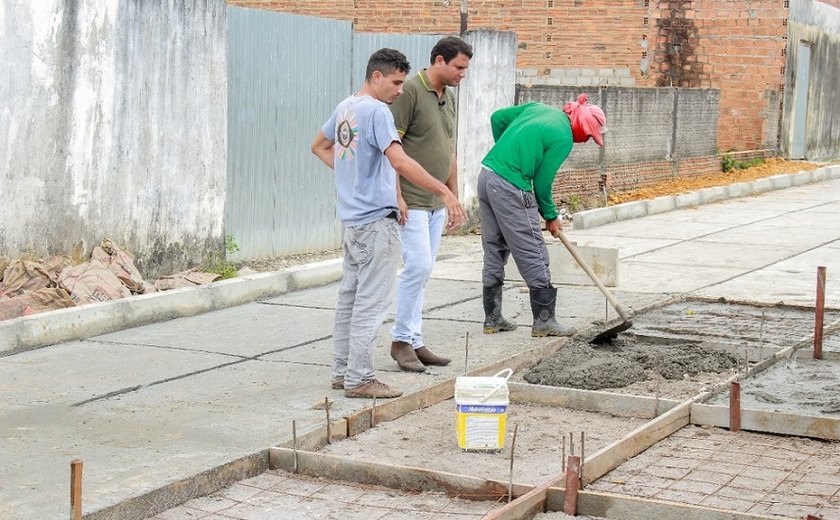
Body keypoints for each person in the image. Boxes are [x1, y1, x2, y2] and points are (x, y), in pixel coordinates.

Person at [311, 48, 467, 399]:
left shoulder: (346, 107)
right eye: (396, 82)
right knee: (372, 304)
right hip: (376, 224)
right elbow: (399, 160)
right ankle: (360, 378)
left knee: (349, 301)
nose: (400, 90)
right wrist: (444, 191)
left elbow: (319, 146)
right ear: (376, 76)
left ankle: (342, 372)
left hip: (352, 223)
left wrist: (354, 177)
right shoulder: (377, 112)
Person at [477, 94, 607, 337]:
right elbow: (543, 182)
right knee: (533, 250)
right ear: (582, 125)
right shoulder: (563, 137)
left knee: (494, 248)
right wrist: (551, 215)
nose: (586, 140)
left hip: (487, 176)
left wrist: (506, 152)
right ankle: (544, 320)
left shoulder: (538, 108)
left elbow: (497, 118)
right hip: (511, 185)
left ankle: (492, 319)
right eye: (589, 135)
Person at [387, 36, 473, 373]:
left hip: (437, 202)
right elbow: (390, 147)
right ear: (439, 60)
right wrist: (396, 196)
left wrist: (453, 196)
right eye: (458, 67)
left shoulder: (447, 98)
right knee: (418, 267)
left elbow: (448, 148)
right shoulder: (408, 91)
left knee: (423, 273)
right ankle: (400, 341)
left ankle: (414, 339)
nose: (462, 74)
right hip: (413, 200)